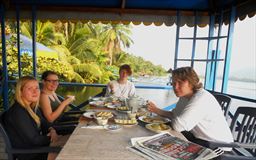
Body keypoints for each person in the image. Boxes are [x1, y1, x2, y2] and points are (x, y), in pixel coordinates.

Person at [147, 67, 233, 150]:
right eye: (173, 83)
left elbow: (178, 126)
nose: (175, 87)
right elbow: (174, 115)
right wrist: (156, 109)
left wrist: (177, 119)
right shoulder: (185, 96)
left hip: (217, 146)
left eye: (180, 83)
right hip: (198, 139)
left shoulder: (201, 98)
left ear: (191, 83)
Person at [2, 76, 61, 160]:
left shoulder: (32, 107)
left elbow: (45, 123)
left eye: (37, 88)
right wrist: (53, 137)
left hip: (39, 148)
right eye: (30, 88)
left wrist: (52, 130)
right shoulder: (17, 112)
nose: (35, 91)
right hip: (30, 154)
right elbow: (34, 140)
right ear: (20, 92)